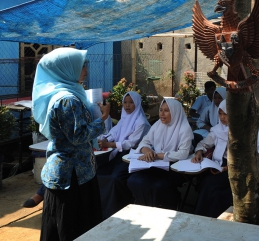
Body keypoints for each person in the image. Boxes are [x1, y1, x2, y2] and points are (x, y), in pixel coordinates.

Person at [32, 48, 110, 241]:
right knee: (72, 227)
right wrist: (103, 118)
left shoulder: (66, 93)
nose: (85, 70)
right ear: (67, 68)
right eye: (82, 65)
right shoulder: (67, 100)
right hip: (71, 176)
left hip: (75, 172)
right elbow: (79, 135)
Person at [127, 99, 193, 210]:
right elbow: (145, 141)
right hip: (155, 165)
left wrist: (157, 155)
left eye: (166, 110)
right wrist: (147, 151)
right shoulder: (157, 125)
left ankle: (166, 207)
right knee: (133, 181)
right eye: (161, 110)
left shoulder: (184, 128)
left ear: (175, 112)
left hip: (174, 168)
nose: (162, 113)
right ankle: (145, 208)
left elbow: (183, 154)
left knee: (158, 186)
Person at [96, 91, 151, 219]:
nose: (127, 105)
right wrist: (104, 139)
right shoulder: (125, 117)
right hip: (118, 153)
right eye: (125, 102)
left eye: (131, 102)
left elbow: (131, 143)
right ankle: (100, 208)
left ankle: (116, 209)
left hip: (132, 156)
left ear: (137, 104)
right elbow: (114, 132)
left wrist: (109, 145)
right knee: (98, 171)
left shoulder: (141, 122)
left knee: (115, 178)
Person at [192, 99, 232, 218]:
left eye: (226, 114)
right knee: (205, 181)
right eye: (220, 113)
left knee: (211, 185)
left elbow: (243, 159)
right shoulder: (217, 130)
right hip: (217, 164)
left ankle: (212, 217)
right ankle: (202, 217)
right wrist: (199, 152)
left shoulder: (240, 132)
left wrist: (225, 168)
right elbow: (204, 144)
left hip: (232, 168)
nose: (222, 117)